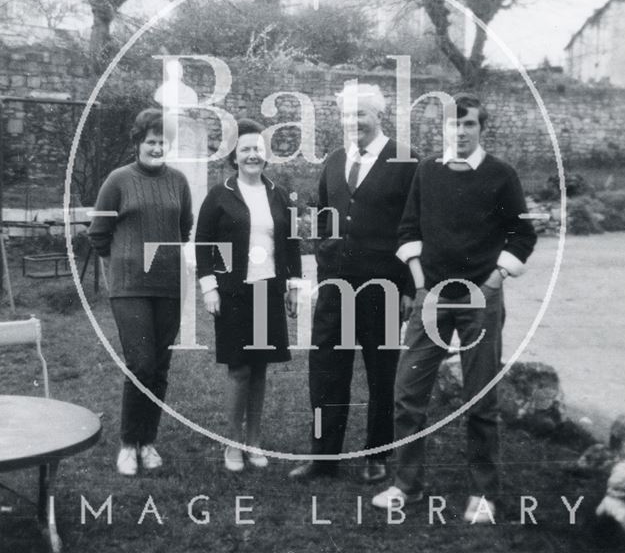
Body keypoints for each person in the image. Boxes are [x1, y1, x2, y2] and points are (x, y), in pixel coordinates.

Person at [372, 93, 537, 522]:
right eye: (453, 125)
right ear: (442, 128)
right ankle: (406, 485)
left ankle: (483, 494)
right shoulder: (427, 171)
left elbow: (522, 236)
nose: (460, 132)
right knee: (408, 395)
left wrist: (494, 278)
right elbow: (408, 228)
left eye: (469, 125)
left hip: (480, 298)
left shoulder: (501, 175)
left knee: (480, 398)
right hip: (432, 296)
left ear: (481, 128)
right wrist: (422, 281)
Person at [289, 83, 419, 483]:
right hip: (335, 285)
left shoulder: (406, 160)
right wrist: (324, 261)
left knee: (381, 372)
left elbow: (414, 227)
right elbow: (324, 215)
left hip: (384, 286)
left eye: (360, 114)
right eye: (347, 116)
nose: (353, 123)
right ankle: (323, 457)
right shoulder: (334, 160)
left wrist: (410, 289)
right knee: (326, 369)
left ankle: (376, 455)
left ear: (379, 116)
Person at [88, 108, 193, 476]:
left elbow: (185, 228)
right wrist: (124, 263)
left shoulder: (179, 181)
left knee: (160, 367)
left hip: (168, 286)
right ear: (138, 142)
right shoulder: (118, 180)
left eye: (163, 142)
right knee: (141, 364)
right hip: (129, 288)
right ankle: (128, 444)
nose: (157, 147)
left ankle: (148, 442)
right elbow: (98, 234)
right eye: (151, 141)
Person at [195, 119, 301, 472]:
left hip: (268, 289)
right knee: (239, 369)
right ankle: (232, 445)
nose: (253, 155)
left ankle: (254, 442)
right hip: (233, 292)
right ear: (234, 157)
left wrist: (293, 286)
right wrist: (209, 286)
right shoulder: (219, 194)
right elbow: (203, 245)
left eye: (258, 148)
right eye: (246, 150)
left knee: (260, 369)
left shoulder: (278, 194)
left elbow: (291, 243)